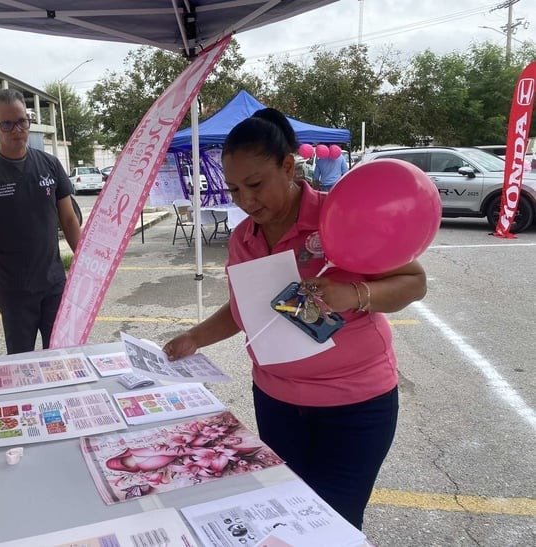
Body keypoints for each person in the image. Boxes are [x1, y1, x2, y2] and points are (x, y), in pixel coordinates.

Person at [163, 108, 427, 530]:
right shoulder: (242, 238)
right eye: (233, 189)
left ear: (288, 166)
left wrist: (356, 293)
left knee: (333, 524)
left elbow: (414, 282)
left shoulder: (338, 215)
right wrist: (193, 337)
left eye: (255, 184)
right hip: (278, 403)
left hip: (355, 407)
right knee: (284, 518)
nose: (245, 201)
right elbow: (243, 309)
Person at [0, 89, 82, 354]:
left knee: (63, 355)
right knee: (21, 364)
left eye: (22, 121)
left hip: (54, 285)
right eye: (7, 124)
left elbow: (69, 219)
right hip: (14, 291)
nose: (17, 130)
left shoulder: (50, 165)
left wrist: (86, 266)